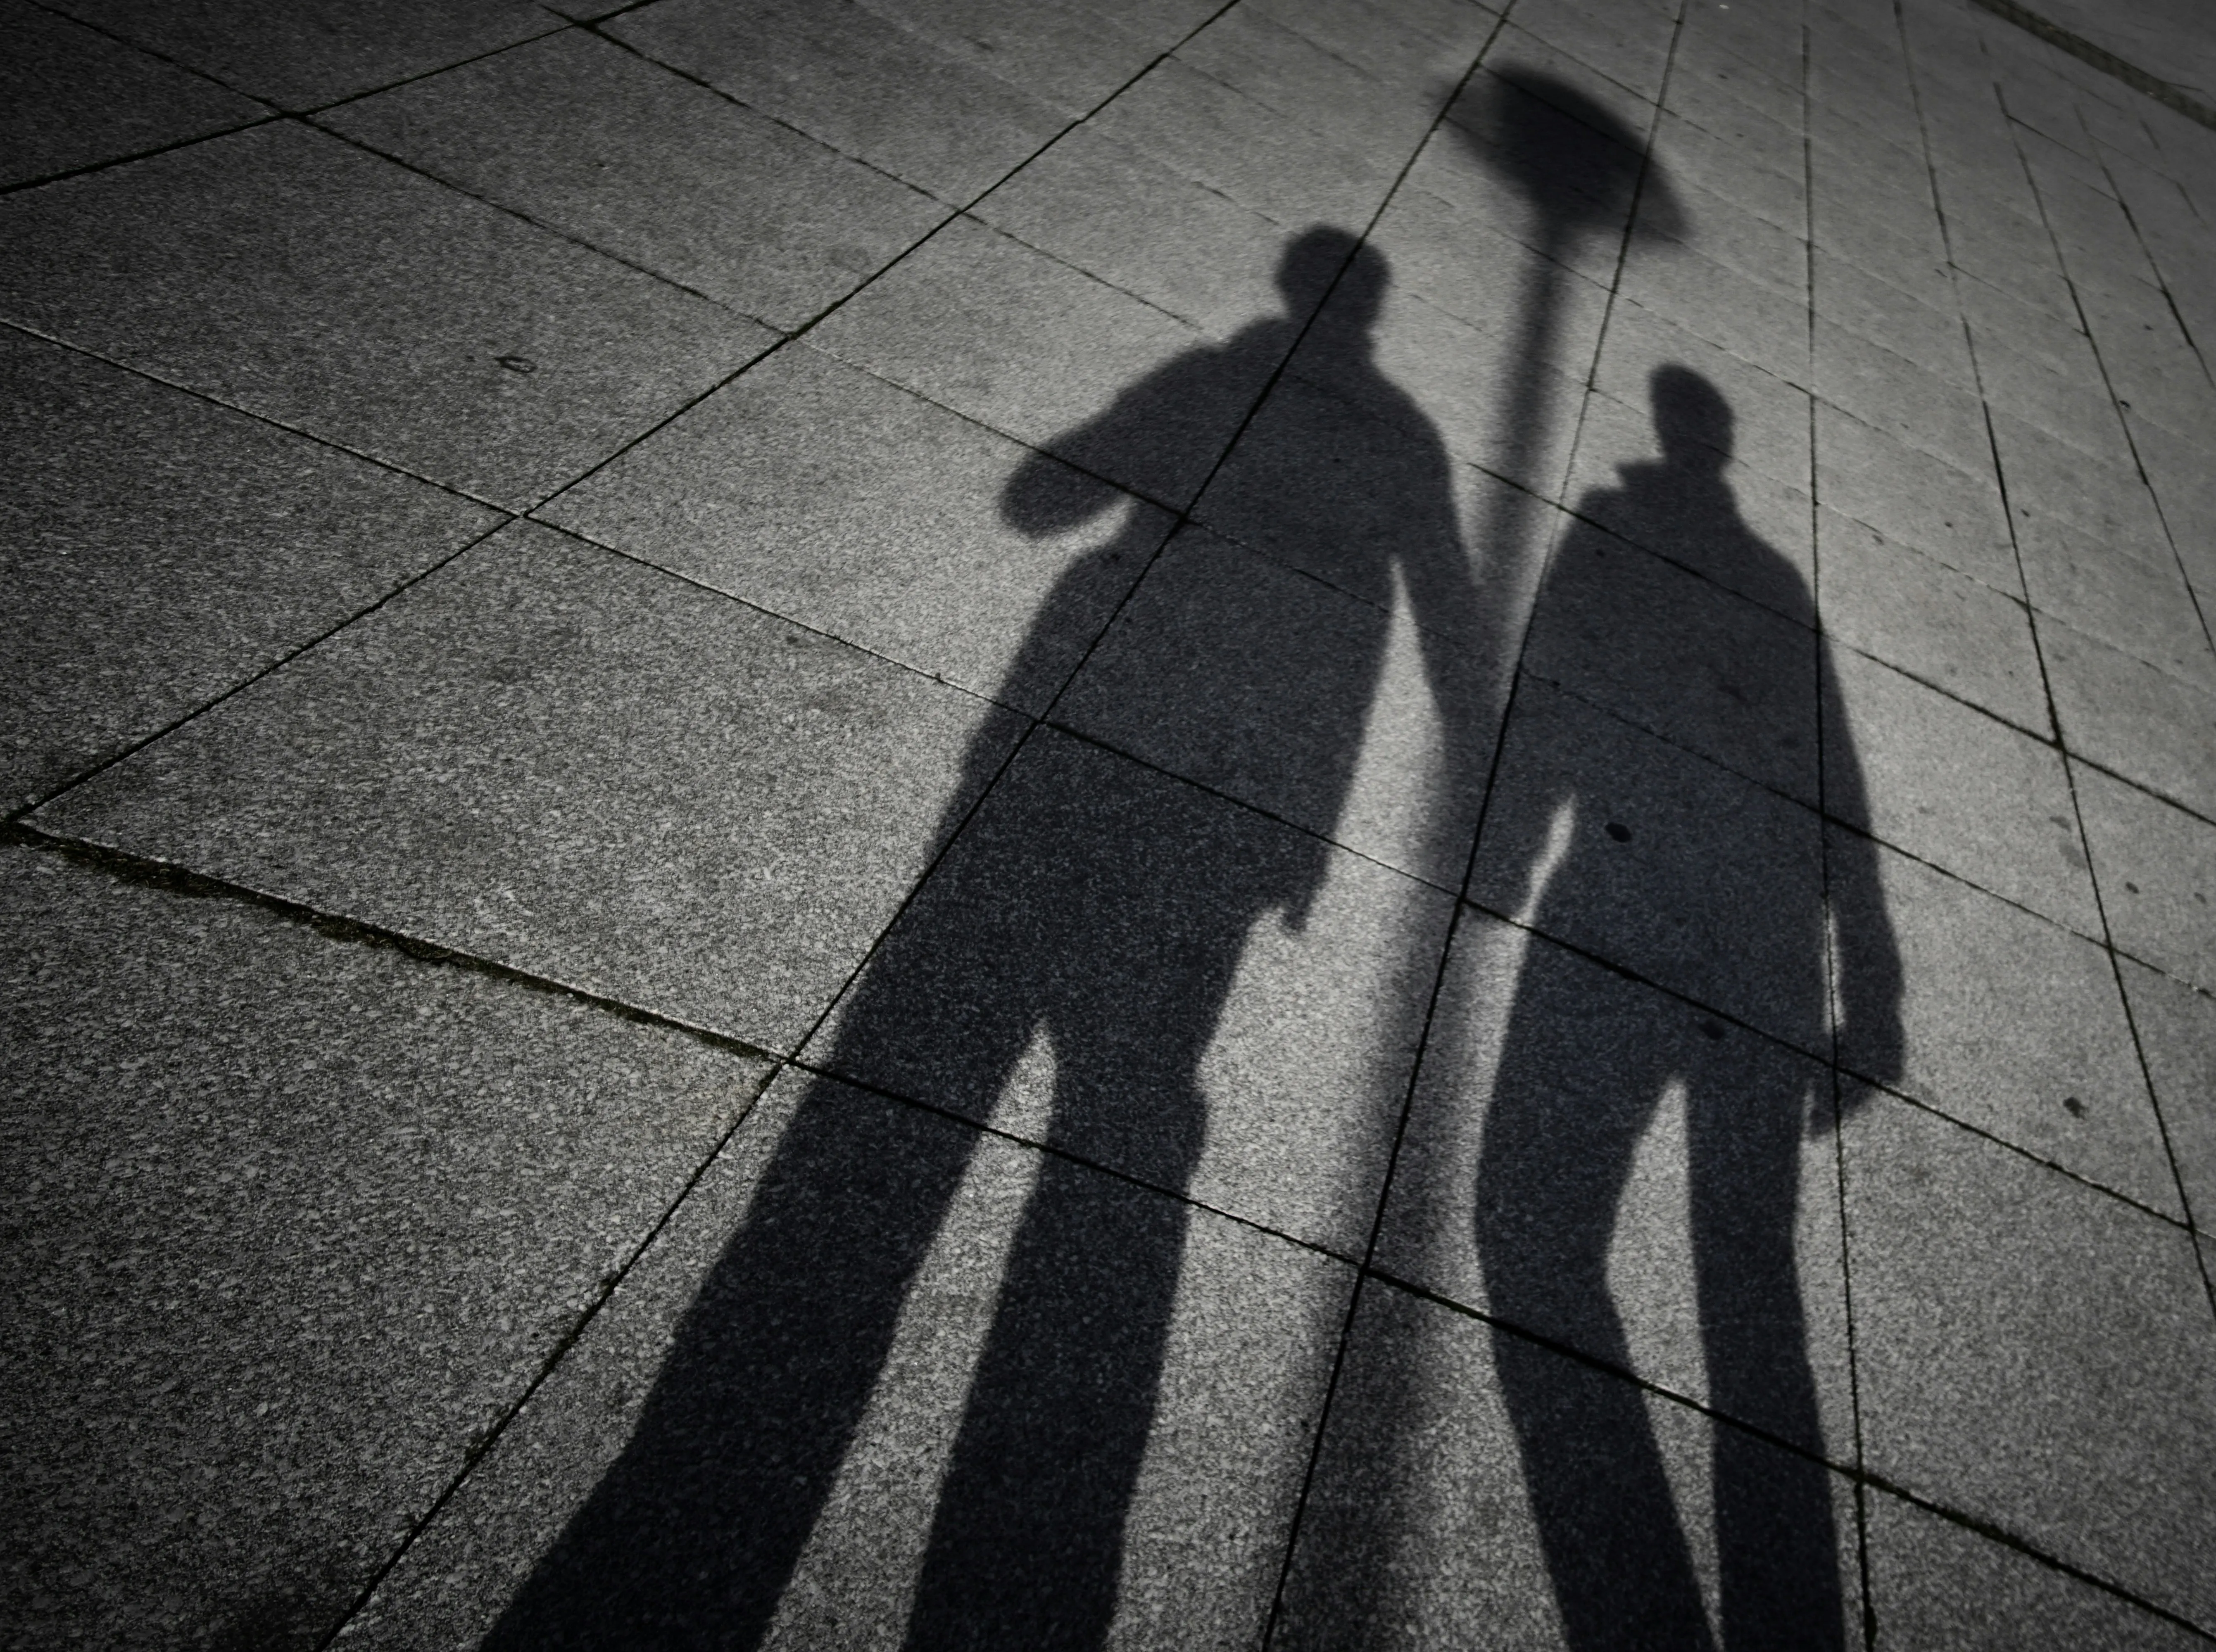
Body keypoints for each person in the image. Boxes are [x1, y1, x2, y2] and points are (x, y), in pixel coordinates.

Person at [484, 228, 1492, 1650]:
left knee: (900, 1095)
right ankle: (1047, 1499)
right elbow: (1449, 625)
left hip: (1077, 744)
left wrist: (1161, 472)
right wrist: (1459, 812)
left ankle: (734, 1446)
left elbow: (1036, 500)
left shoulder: (1209, 378)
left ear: (1287, 295)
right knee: (1132, 1115)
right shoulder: (1408, 442)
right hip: (1242, 805)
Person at [1474, 366, 1903, 1650]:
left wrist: (1497, 865)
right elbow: (1843, 789)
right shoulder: (1779, 581)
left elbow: (1545, 701)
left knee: (1529, 1232)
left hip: (1611, 895)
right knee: (1748, 1283)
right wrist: (1871, 980)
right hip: (1766, 945)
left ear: (1666, 440)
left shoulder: (1607, 534)